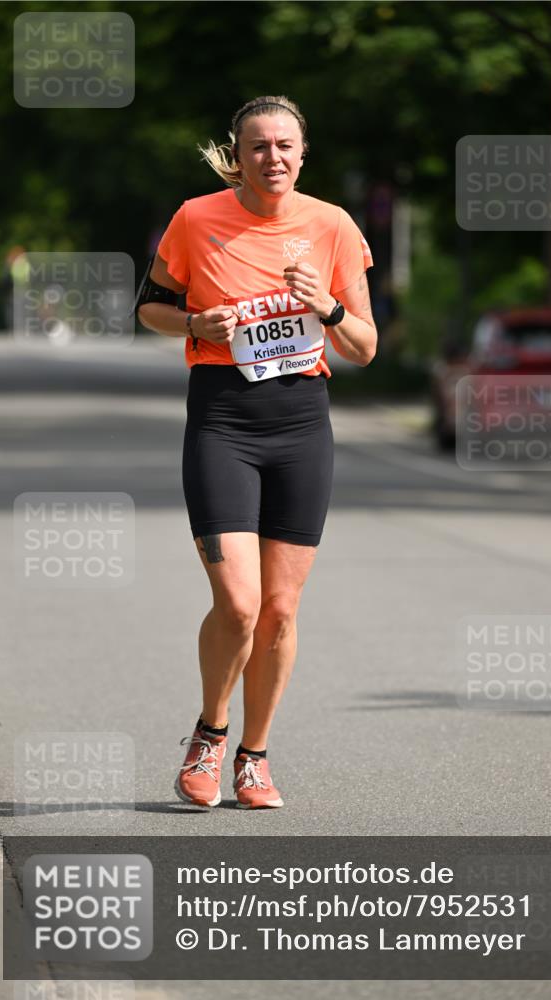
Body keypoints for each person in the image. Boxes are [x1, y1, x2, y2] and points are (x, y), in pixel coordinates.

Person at [138, 95, 376, 809]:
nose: (272, 157)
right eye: (258, 146)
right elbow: (148, 307)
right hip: (222, 423)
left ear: (303, 154)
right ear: (236, 156)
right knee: (238, 604)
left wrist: (327, 307)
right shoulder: (196, 218)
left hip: (302, 426)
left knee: (278, 610)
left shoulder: (331, 226)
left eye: (285, 146)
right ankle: (209, 735)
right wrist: (193, 320)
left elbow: (364, 345)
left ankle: (255, 757)